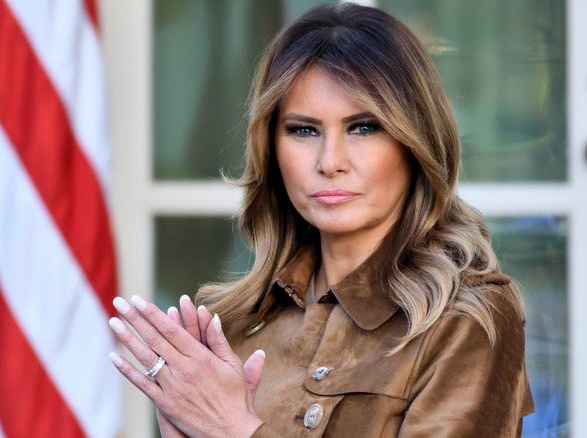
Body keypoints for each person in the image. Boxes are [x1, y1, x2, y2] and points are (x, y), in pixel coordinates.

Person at [107, 3, 535, 437]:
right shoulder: (233, 323)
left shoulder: (467, 321)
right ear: (270, 148)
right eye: (303, 130)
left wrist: (235, 429)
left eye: (364, 127)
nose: (330, 162)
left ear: (415, 141)